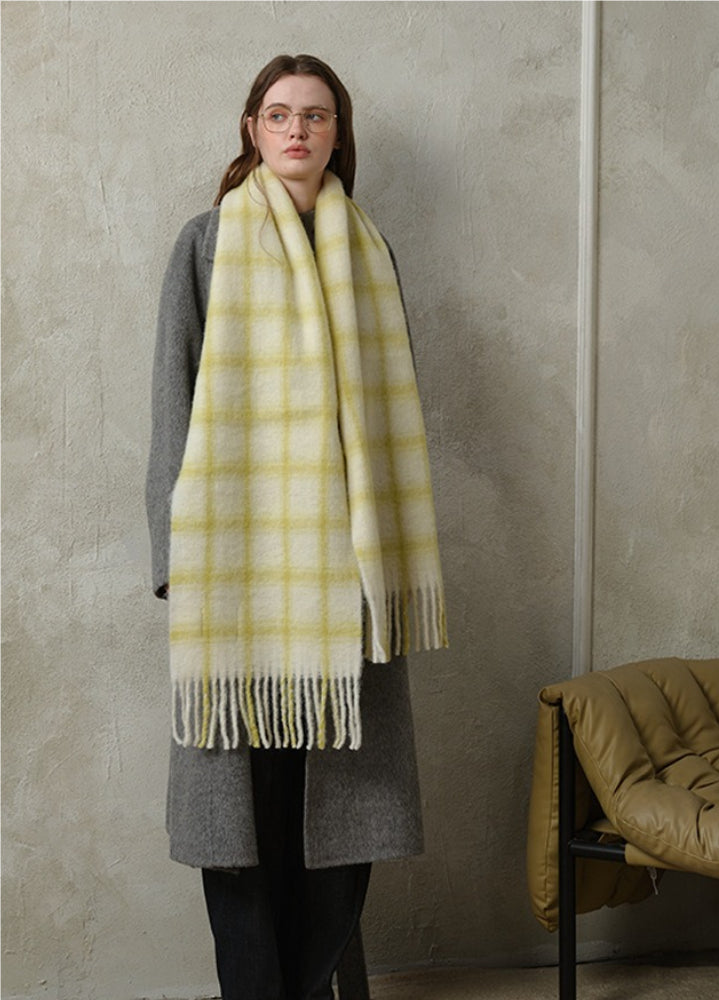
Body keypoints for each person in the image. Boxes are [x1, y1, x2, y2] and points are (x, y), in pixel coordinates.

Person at [146, 54, 448, 1000]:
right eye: (279, 114)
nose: (296, 131)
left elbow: (394, 417)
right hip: (236, 570)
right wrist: (173, 561)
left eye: (315, 116)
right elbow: (172, 404)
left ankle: (315, 984)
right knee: (239, 826)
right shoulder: (206, 245)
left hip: (348, 581)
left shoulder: (370, 252)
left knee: (340, 824)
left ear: (336, 134)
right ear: (252, 128)